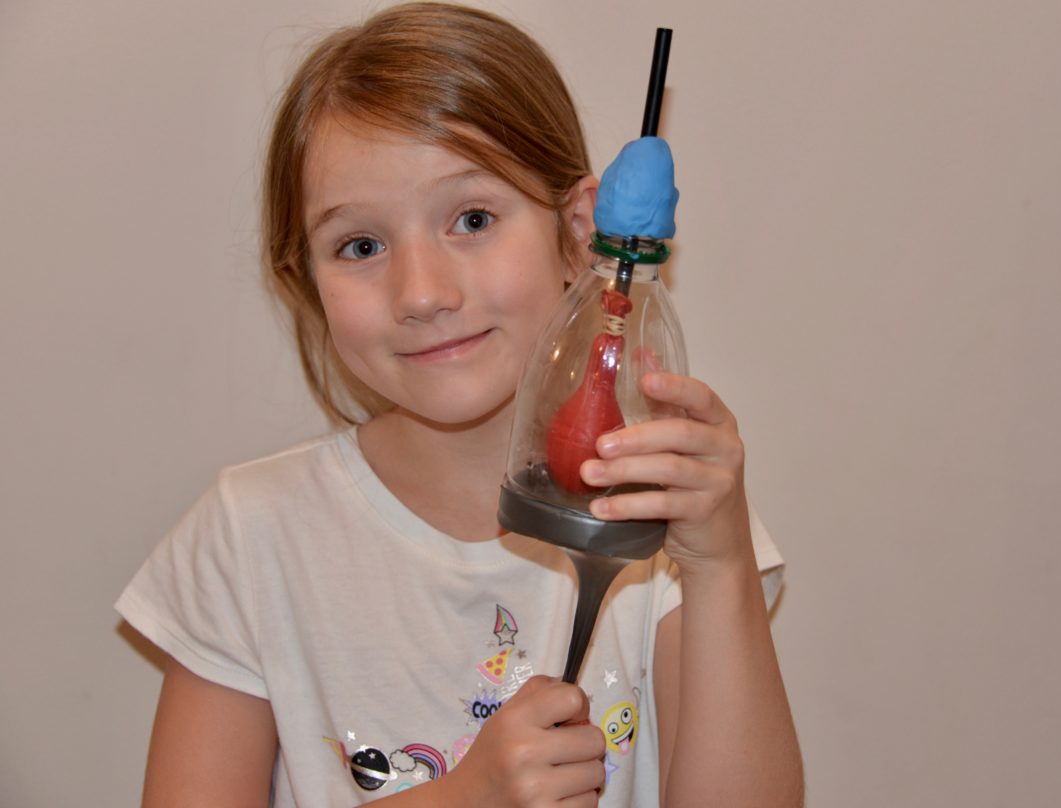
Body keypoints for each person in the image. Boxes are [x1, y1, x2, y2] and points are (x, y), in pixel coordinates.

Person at [116, 3, 803, 806]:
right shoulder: (249, 537)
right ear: (306, 279)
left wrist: (718, 565)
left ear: (582, 230)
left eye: (472, 219)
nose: (422, 293)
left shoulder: (666, 515)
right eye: (360, 246)